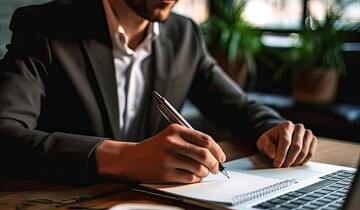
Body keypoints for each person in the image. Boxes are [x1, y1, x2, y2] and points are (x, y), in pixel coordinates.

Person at [0, 0, 317, 186]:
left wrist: (271, 129)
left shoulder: (184, 34)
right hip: (61, 208)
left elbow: (236, 104)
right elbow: (5, 135)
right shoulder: (43, 26)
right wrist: (123, 158)